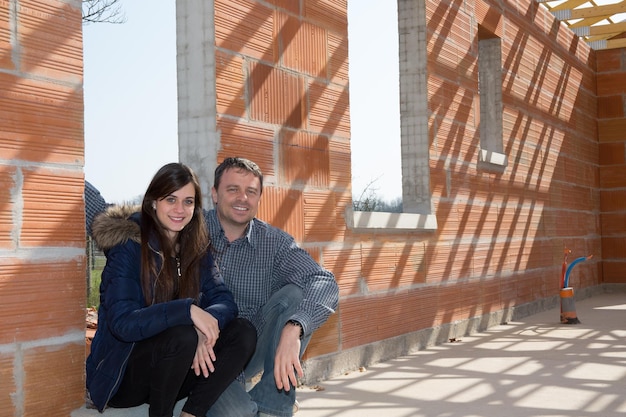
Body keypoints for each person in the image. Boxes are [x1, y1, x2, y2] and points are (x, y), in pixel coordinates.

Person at [85, 162, 257, 417]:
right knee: (182, 335)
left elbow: (224, 301)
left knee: (243, 331)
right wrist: (187, 312)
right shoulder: (129, 247)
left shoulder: (195, 246)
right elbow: (123, 323)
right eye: (171, 199)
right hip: (125, 375)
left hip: (177, 366)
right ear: (154, 201)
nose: (180, 209)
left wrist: (203, 330)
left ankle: (192, 412)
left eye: (188, 202)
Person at [203, 157, 339, 417]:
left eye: (251, 192)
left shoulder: (274, 243)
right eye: (233, 189)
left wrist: (294, 328)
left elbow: (324, 281)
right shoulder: (190, 230)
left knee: (295, 295)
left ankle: (271, 406)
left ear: (258, 198)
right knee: (237, 414)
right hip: (197, 351)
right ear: (215, 194)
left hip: (246, 351)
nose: (242, 198)